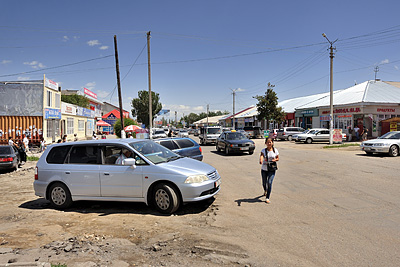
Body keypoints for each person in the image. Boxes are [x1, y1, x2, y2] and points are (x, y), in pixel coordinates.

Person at [259, 138, 279, 204]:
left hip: (272, 169)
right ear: (265, 143)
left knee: (269, 182)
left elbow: (277, 158)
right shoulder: (263, 150)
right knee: (264, 183)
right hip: (264, 169)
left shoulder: (275, 150)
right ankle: (265, 190)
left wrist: (275, 160)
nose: (269, 143)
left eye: (270, 142)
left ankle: (267, 197)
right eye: (267, 142)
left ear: (272, 143)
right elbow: (261, 156)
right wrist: (261, 160)